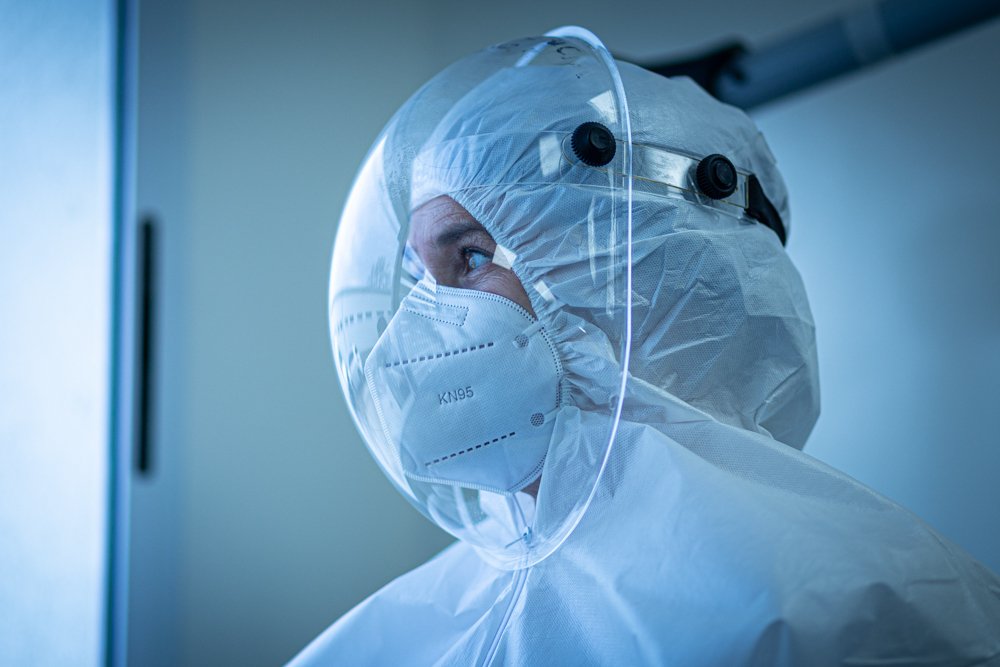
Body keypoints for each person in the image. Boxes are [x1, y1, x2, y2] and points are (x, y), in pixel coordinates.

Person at [291, 28, 1000, 666]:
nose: (417, 325)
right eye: (420, 277)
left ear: (633, 276)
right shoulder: (414, 621)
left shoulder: (842, 619)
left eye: (472, 257)